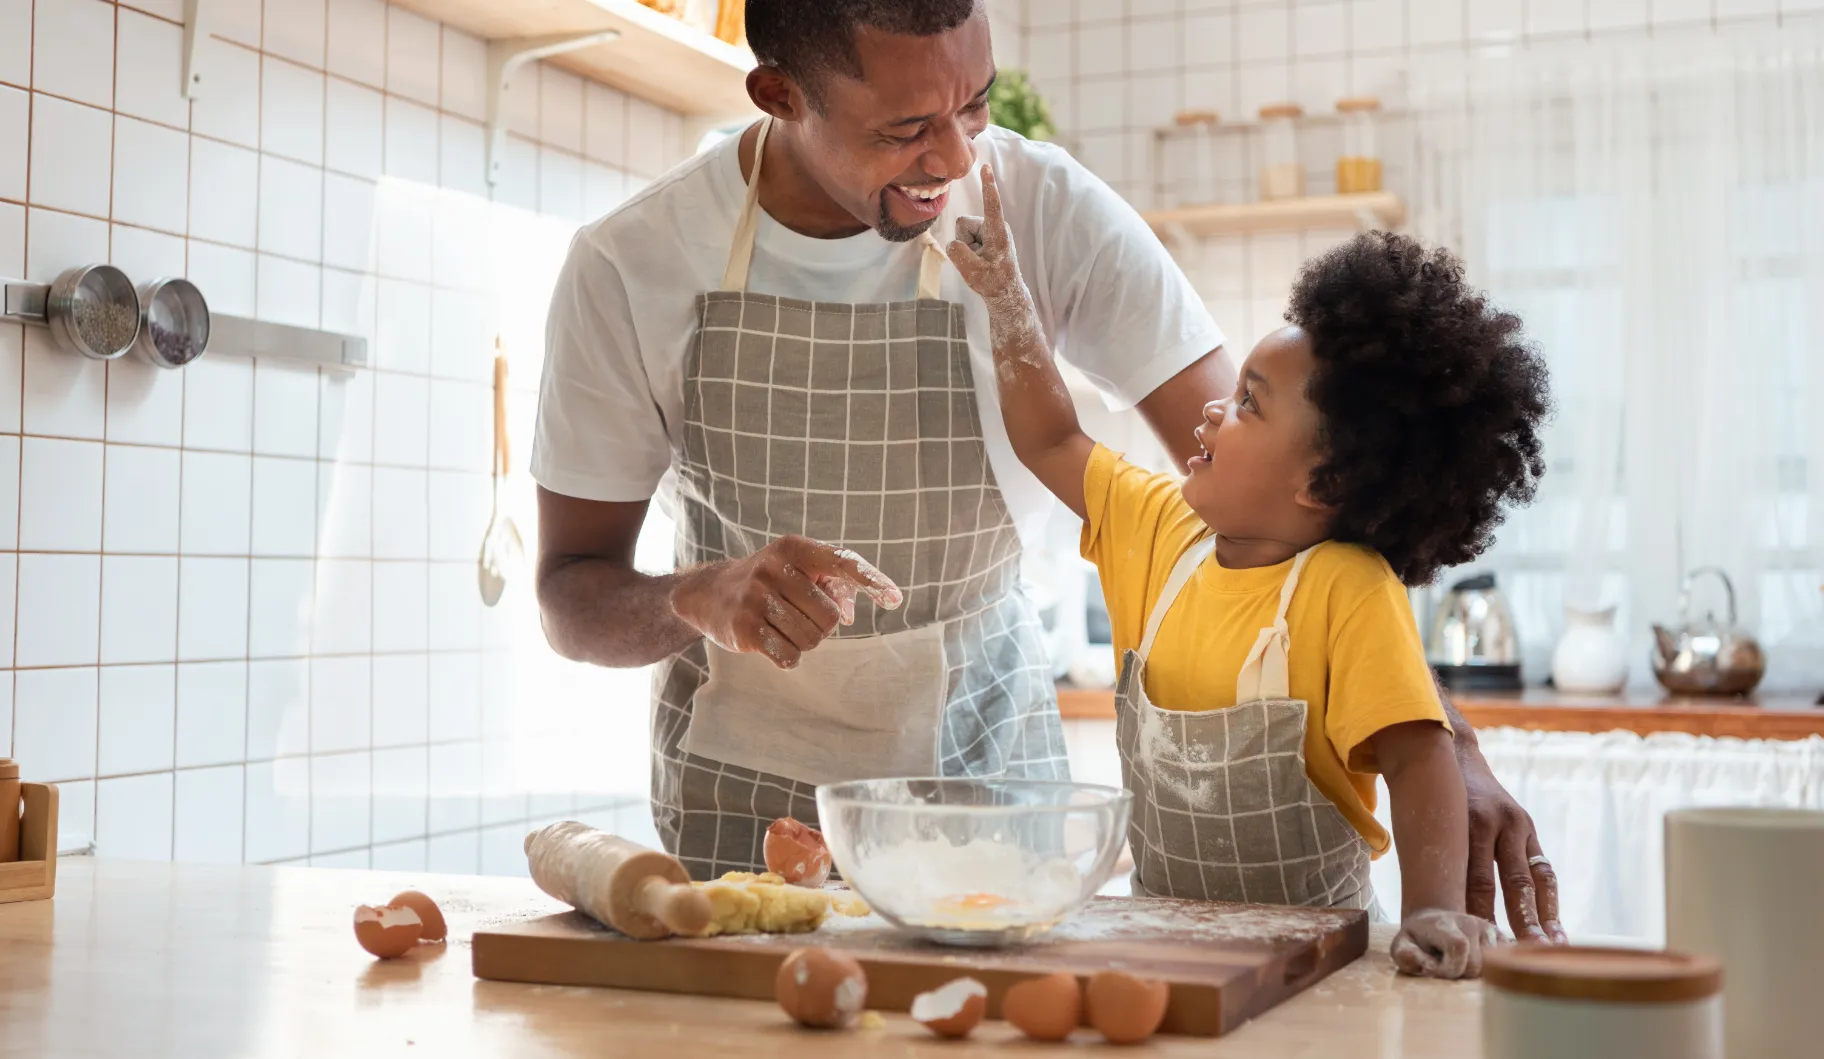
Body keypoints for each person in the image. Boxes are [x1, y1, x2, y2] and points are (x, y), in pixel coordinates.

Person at [530, 0, 1567, 945]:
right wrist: (698, 596)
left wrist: (1443, 741)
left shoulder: (1045, 209)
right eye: (904, 129)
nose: (953, 158)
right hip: (741, 817)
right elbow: (571, 600)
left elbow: (1308, 484)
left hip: (994, 805)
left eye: (973, 104)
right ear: (778, 95)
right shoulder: (633, 264)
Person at [944, 170, 1551, 976]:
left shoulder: (1347, 589)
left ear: (1322, 485)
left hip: (1317, 963)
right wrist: (1009, 302)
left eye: (1247, 404)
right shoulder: (1159, 527)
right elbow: (1053, 441)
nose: (1210, 412)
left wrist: (1432, 912)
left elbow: (1418, 755)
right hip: (1171, 947)